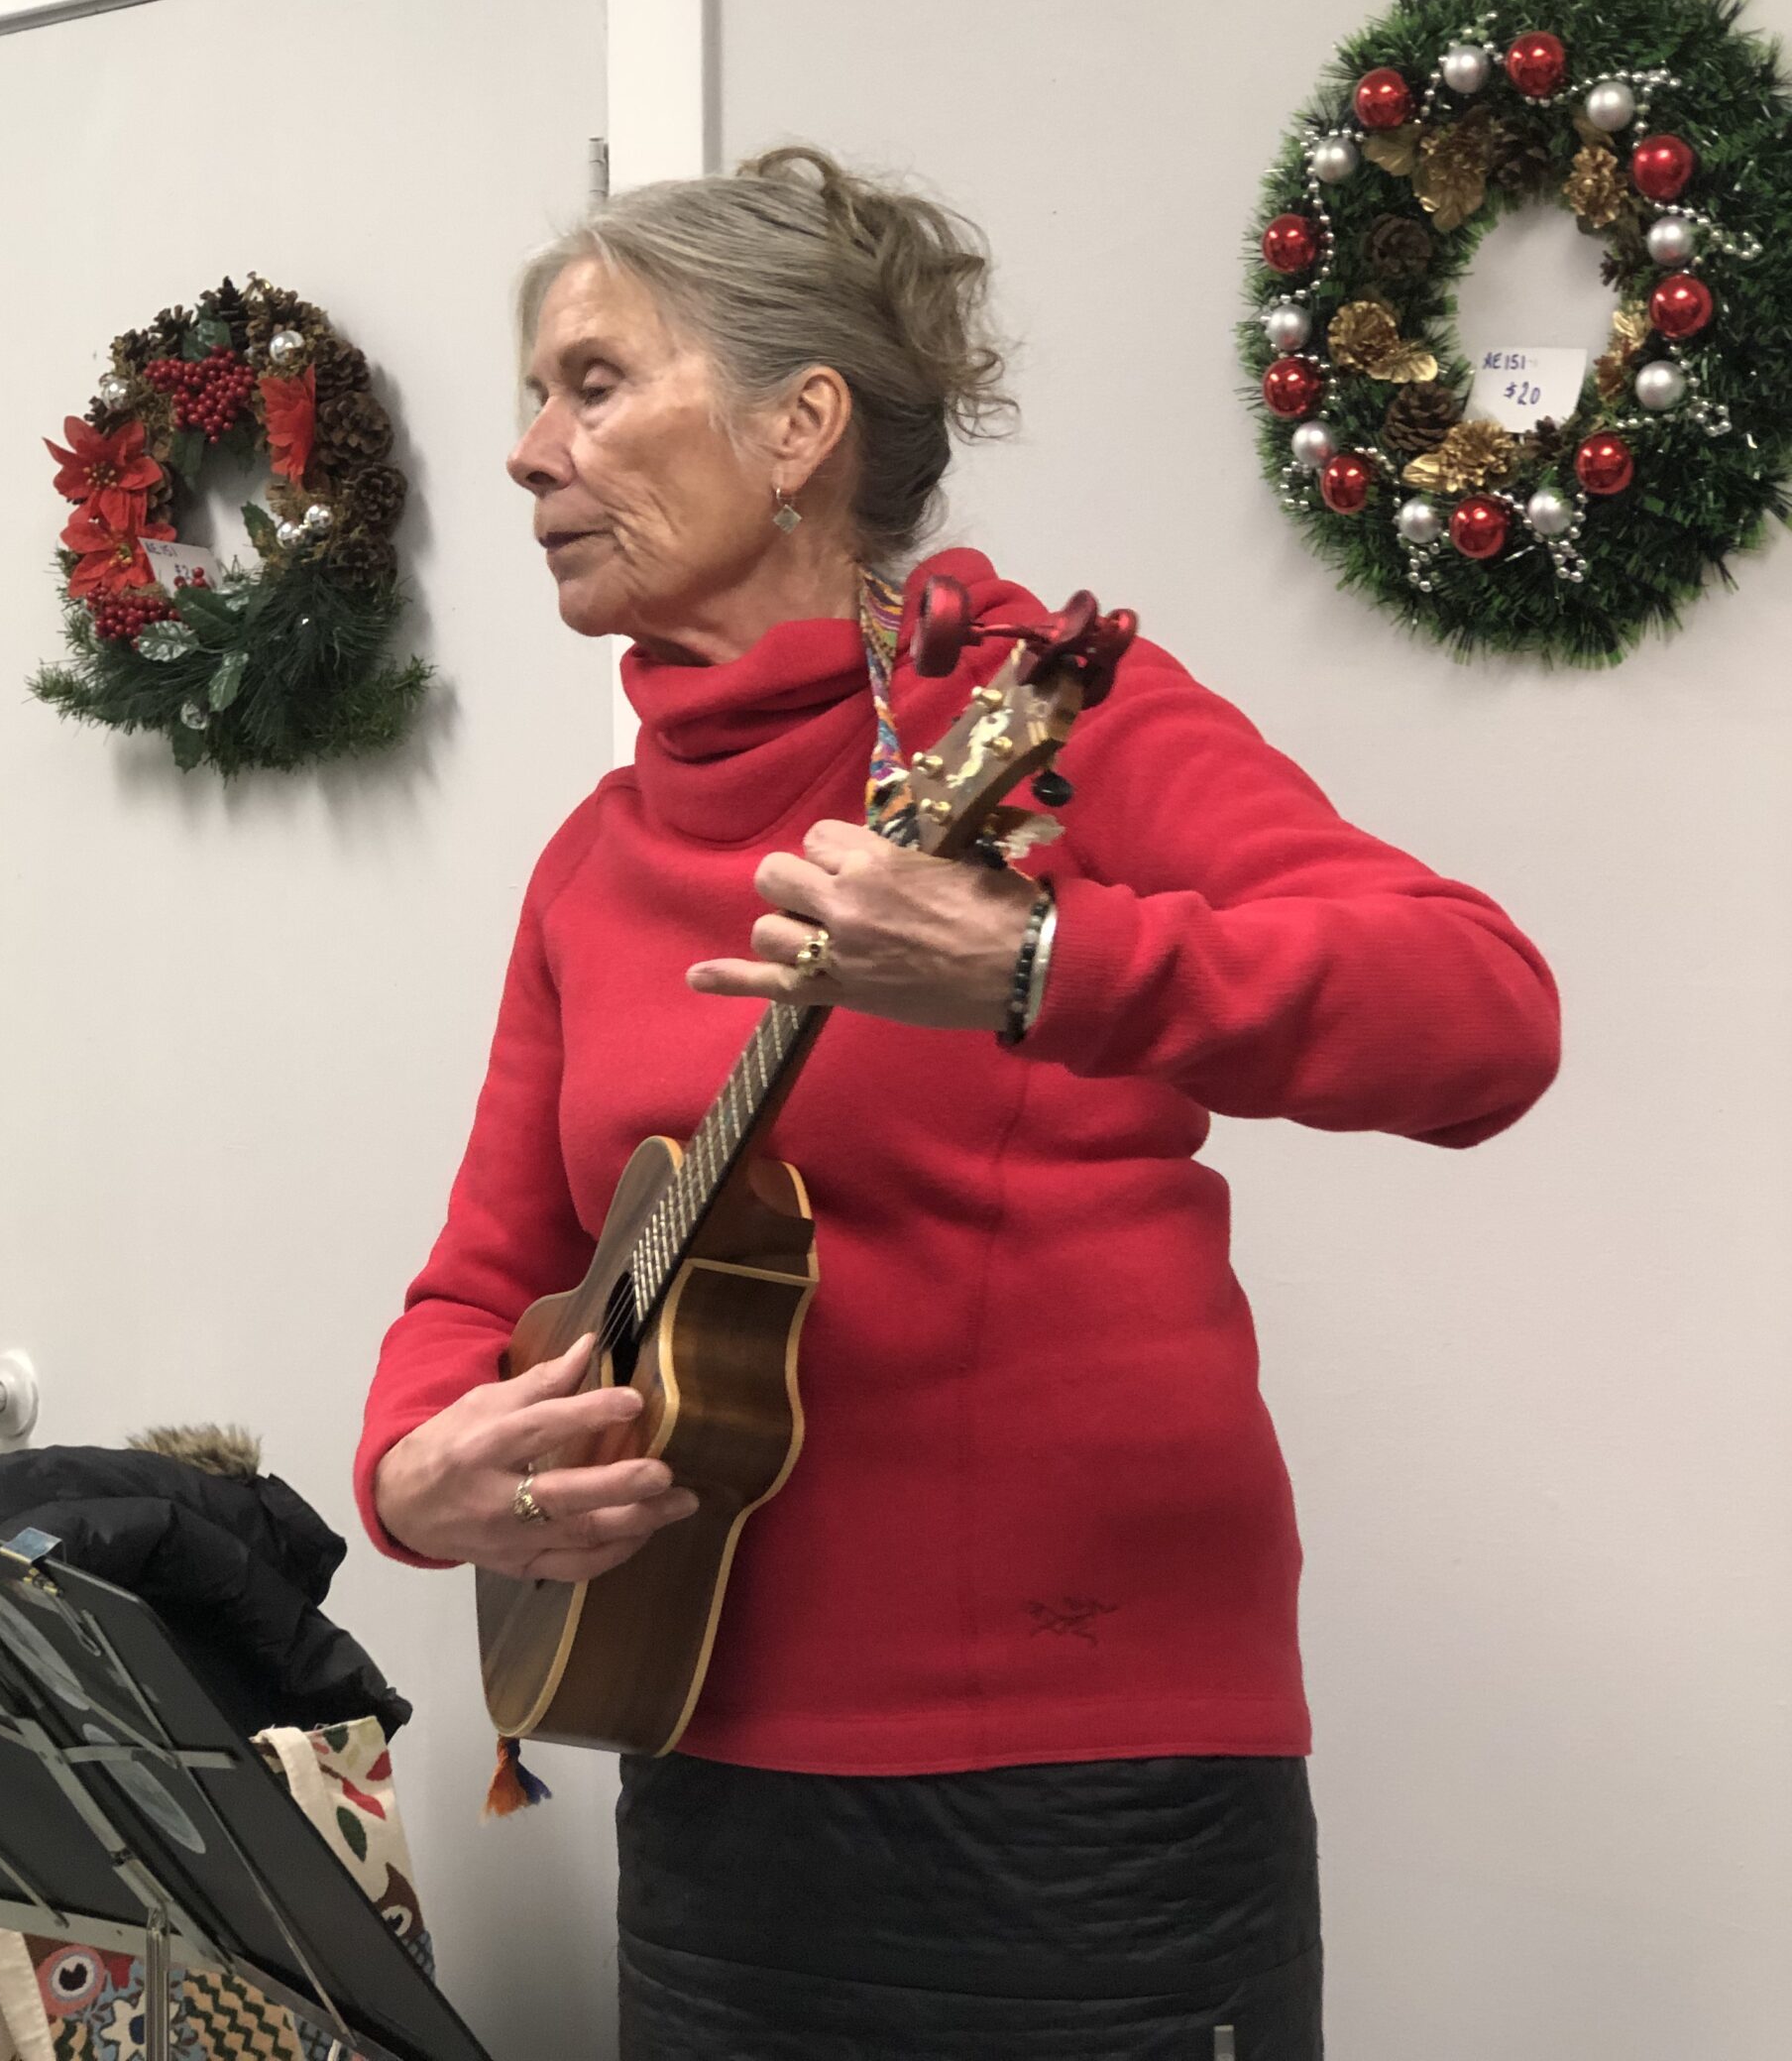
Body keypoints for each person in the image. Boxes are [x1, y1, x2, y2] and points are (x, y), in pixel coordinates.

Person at [354, 146, 1560, 2060]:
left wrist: (1040, 964)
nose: (527, 451)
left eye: (593, 384)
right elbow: (483, 1276)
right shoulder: (591, 864)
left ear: (797, 429)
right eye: (533, 395)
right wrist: (415, 1473)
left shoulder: (1055, 720)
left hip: (1087, 1797)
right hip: (700, 1775)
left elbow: (1483, 1012)